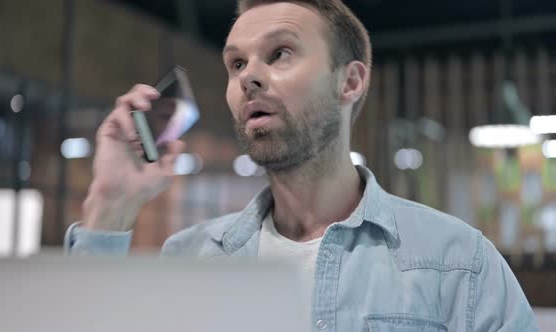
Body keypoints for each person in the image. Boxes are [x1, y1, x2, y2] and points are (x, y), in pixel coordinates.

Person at [65, 0, 538, 330]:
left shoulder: (458, 264)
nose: (249, 75)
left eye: (280, 53)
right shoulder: (189, 258)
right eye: (235, 63)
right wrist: (111, 203)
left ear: (349, 82)